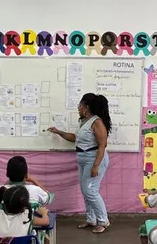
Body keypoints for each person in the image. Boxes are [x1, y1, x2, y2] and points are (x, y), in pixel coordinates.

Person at [47, 93, 112, 233]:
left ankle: (103, 221)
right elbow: (75, 138)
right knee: (85, 190)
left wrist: (95, 166)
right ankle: (91, 219)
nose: (78, 108)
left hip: (95, 160)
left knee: (91, 191)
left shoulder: (97, 122)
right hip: (83, 159)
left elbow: (102, 145)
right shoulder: (84, 121)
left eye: (79, 105)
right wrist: (59, 132)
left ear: (86, 107)